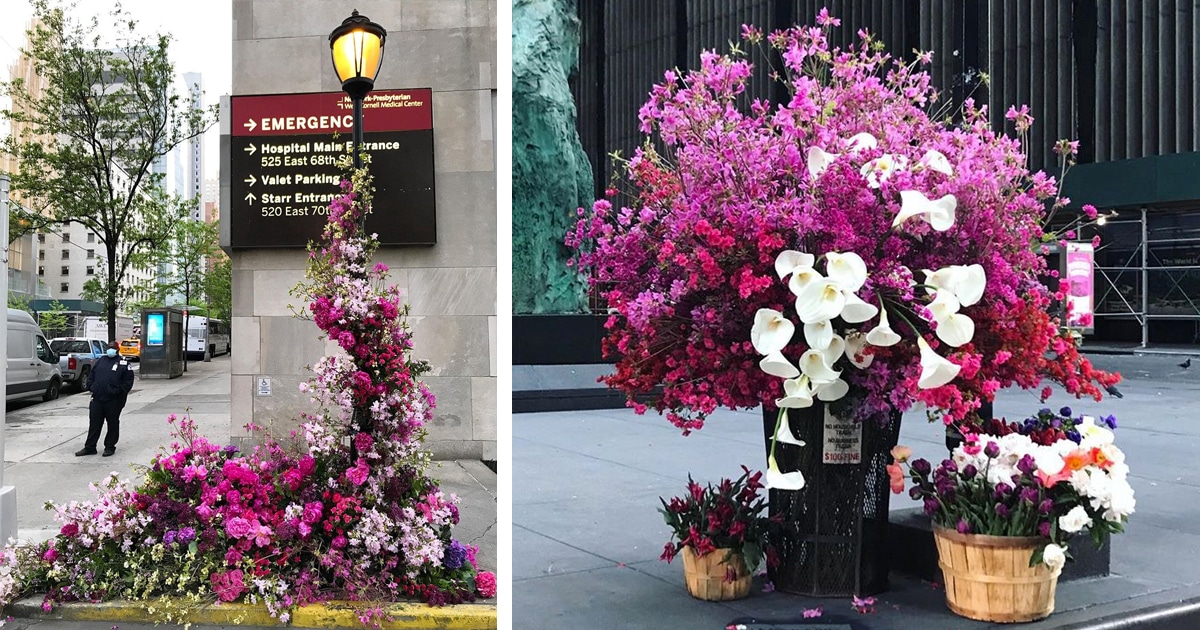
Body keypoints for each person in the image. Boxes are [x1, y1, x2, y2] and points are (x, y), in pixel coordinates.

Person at [75, 340, 135, 457]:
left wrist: (118, 391)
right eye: (109, 348)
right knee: (94, 423)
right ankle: (90, 447)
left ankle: (109, 447)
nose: (110, 350)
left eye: (112, 348)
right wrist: (91, 386)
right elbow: (91, 375)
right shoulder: (101, 360)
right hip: (97, 398)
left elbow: (128, 381)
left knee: (112, 423)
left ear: (117, 350)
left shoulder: (123, 363)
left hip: (114, 400)